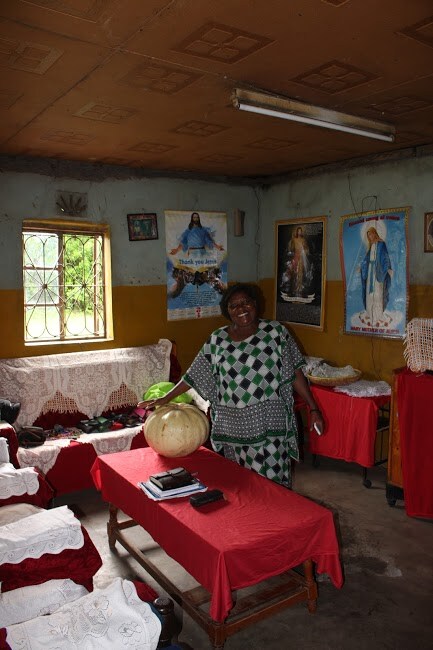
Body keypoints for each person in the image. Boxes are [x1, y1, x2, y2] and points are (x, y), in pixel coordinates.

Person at [138, 283, 323, 488]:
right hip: (233, 430)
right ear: (227, 311)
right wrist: (166, 398)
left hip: (270, 425)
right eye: (234, 306)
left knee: (273, 488)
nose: (241, 309)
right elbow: (195, 374)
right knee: (241, 488)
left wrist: (313, 408)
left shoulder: (276, 333)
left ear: (255, 303)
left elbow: (294, 373)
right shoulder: (217, 340)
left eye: (245, 303)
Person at [360, 226, 393, 327]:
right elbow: (366, 259)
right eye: (368, 235)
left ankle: (378, 315)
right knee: (369, 294)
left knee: (377, 293)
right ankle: (370, 313)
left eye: (371, 234)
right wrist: (362, 267)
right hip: (370, 270)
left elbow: (385, 257)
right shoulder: (371, 246)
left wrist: (386, 268)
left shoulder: (381, 244)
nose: (370, 236)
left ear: (375, 233)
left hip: (377, 272)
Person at [284, 226, 310, 296]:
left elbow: (307, 249)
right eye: (298, 231)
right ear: (296, 232)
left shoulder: (303, 240)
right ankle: (293, 288)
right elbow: (290, 248)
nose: (299, 232)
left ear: (302, 232)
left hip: (301, 258)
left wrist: (304, 250)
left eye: (300, 231)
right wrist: (291, 252)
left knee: (300, 272)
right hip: (295, 256)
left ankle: (299, 288)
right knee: (294, 272)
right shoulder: (294, 240)